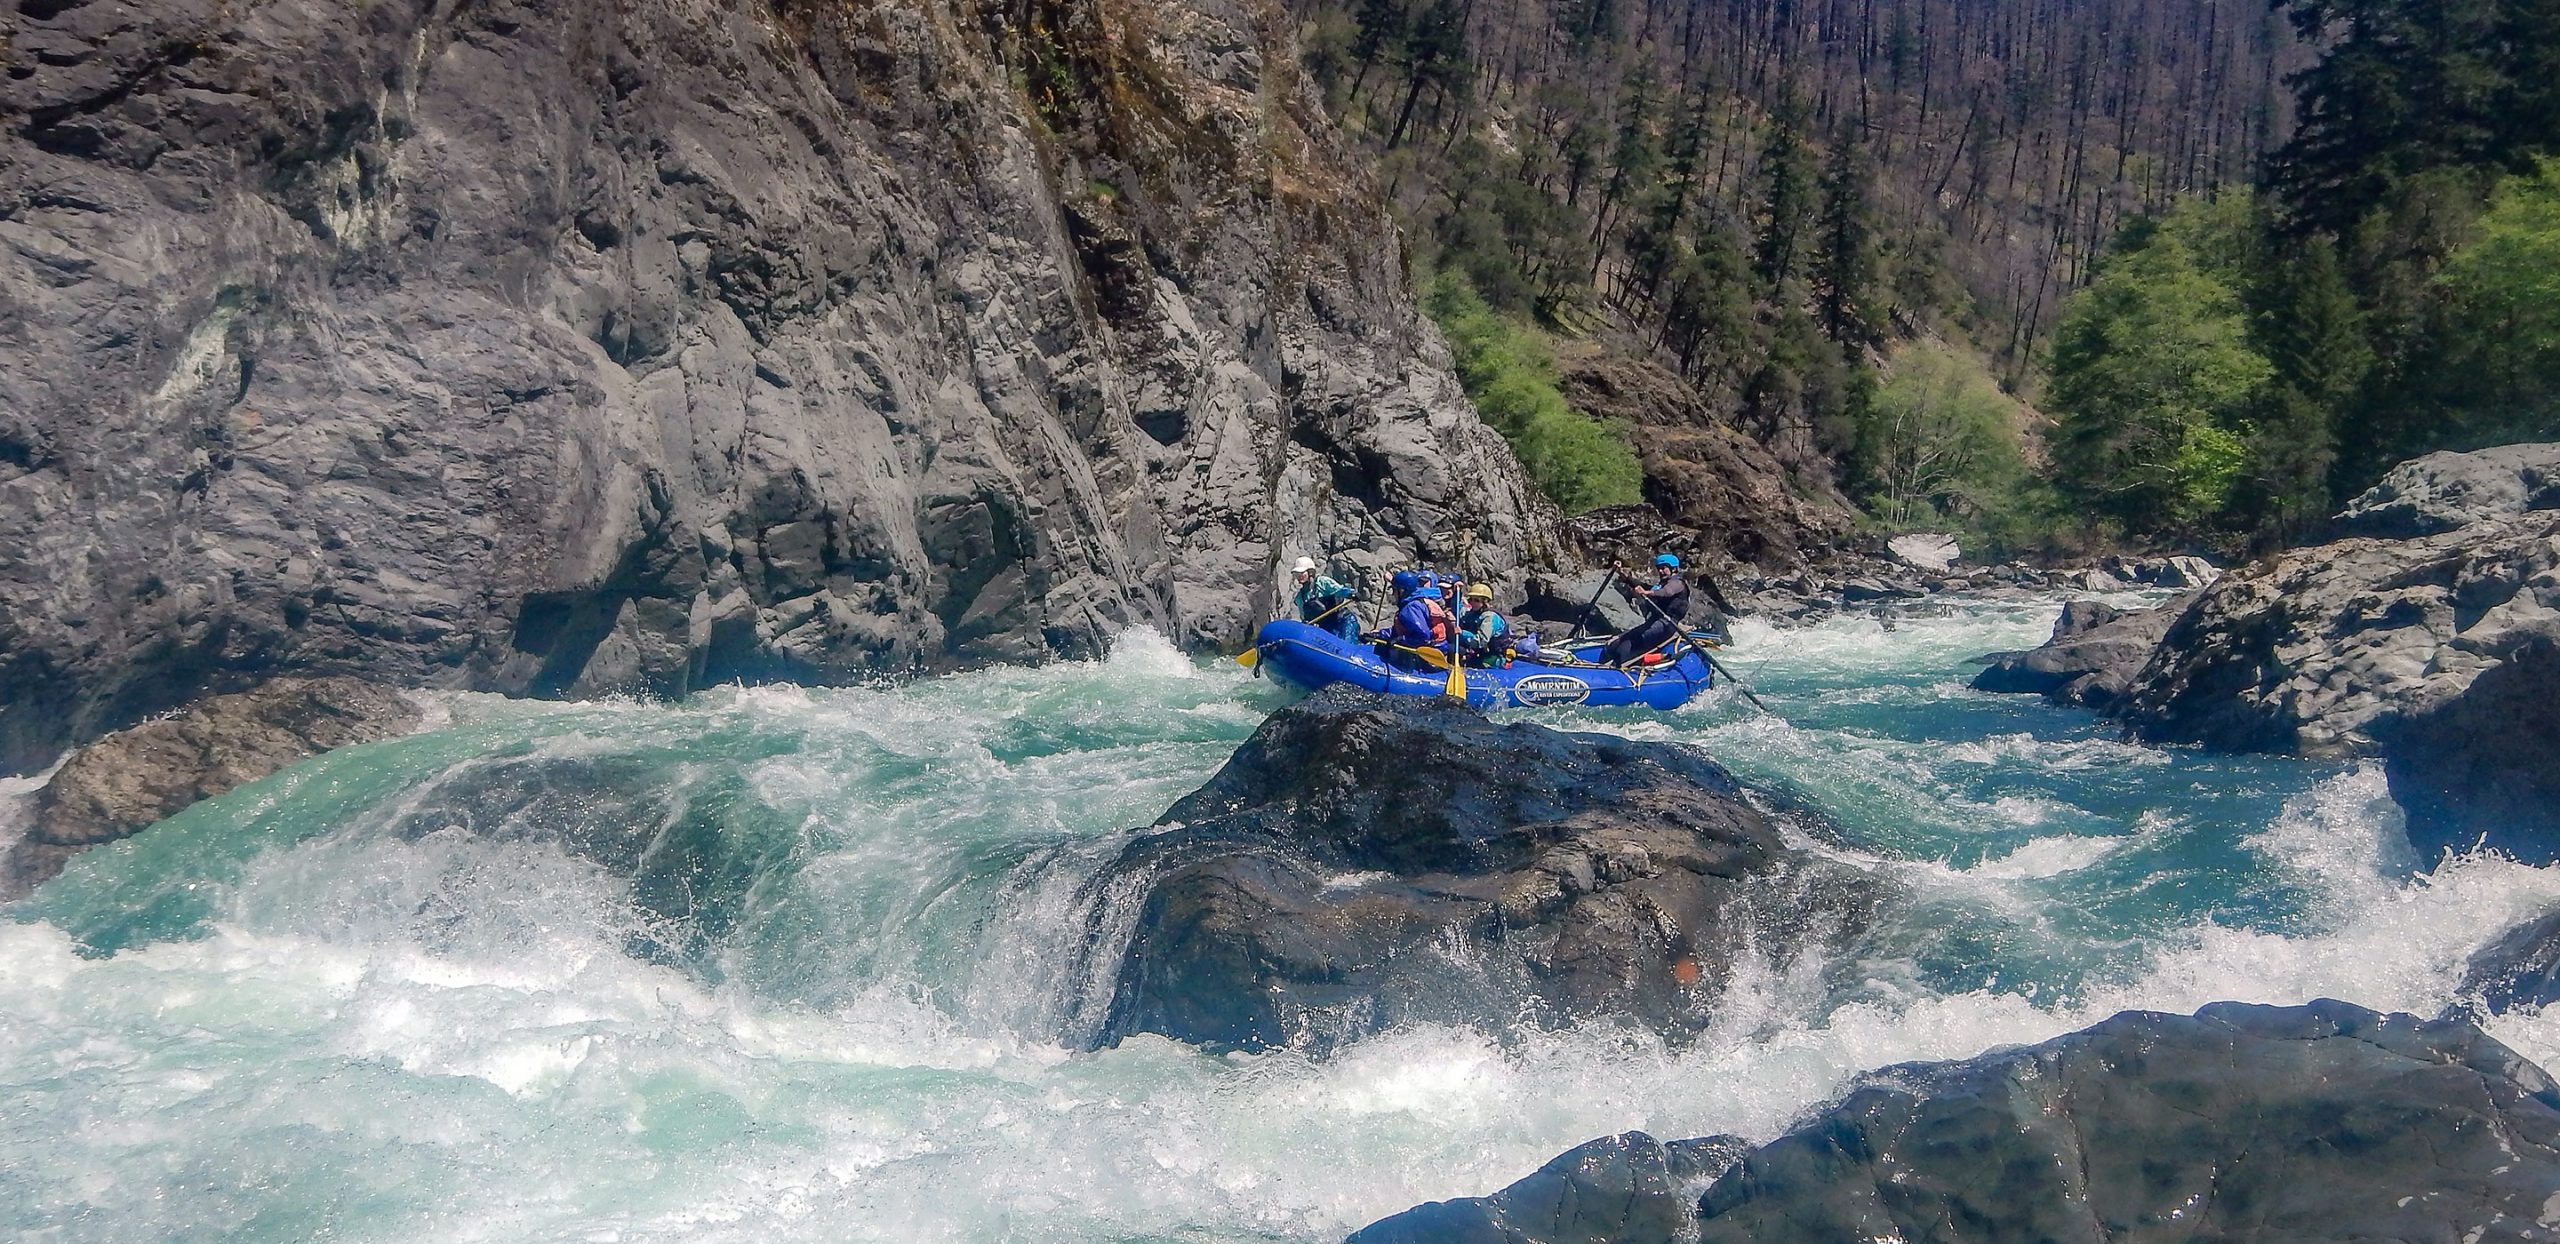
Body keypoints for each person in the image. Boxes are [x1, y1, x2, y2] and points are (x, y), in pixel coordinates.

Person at [1602, 553, 1692, 668]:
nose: (1661, 571)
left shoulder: (1677, 583)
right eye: (1659, 568)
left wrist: (1646, 593)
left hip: (1666, 625)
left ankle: (1619, 667)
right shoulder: (1661, 585)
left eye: (1664, 568)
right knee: (1615, 644)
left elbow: (1666, 592)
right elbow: (1641, 585)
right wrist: (1621, 573)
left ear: (1673, 569)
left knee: (1626, 644)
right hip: (1654, 622)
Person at [1374, 569, 1454, 670]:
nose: (1393, 594)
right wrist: (1380, 634)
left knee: (1385, 650)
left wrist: (1401, 639)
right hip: (1434, 648)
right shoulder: (1415, 603)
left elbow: (1422, 636)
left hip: (1429, 656)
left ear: (1402, 591)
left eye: (1394, 590)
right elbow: (1404, 630)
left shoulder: (1411, 607)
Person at [1289, 556, 1362, 642]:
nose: (1299, 576)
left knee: (1345, 643)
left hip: (1343, 622)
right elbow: (1304, 617)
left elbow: (1340, 590)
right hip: (1326, 628)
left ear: (1310, 572)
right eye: (1297, 574)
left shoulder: (1322, 582)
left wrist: (1351, 594)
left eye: (1302, 573)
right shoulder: (1300, 598)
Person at [1457, 583, 1512, 668]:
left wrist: (1462, 633)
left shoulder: (1490, 617)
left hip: (1494, 656)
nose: (1472, 603)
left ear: (1485, 602)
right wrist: (1456, 593)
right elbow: (1458, 611)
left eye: (1476, 600)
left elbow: (1481, 641)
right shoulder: (1473, 613)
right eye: (1471, 600)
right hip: (1479, 653)